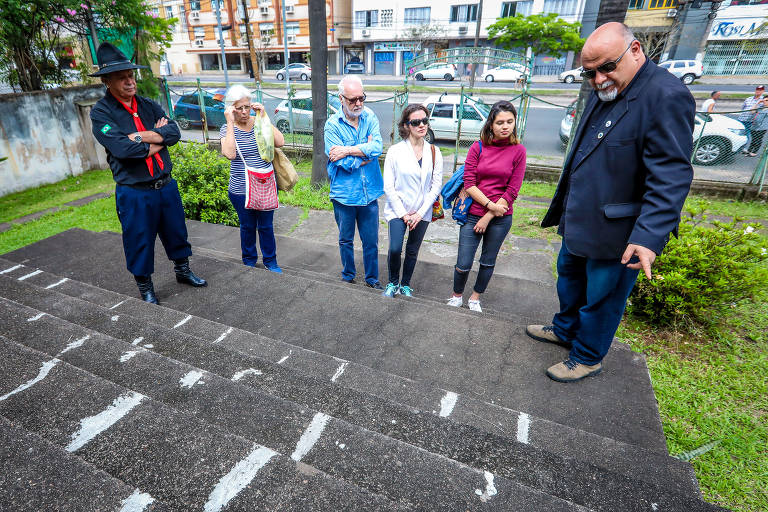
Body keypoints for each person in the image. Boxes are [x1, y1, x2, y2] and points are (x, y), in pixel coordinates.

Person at [526, 23, 695, 383]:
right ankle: (565, 330)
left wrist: (649, 237)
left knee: (602, 297)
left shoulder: (665, 95)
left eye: (606, 67)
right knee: (569, 281)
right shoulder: (605, 87)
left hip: (620, 230)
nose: (599, 78)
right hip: (580, 218)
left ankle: (587, 356)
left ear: (635, 50)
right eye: (590, 72)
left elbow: (671, 175)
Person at [89, 42, 206, 305]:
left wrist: (140, 137)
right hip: (135, 191)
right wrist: (158, 138)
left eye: (131, 75)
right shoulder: (101, 113)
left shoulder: (147, 104)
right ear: (107, 81)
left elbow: (174, 133)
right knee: (138, 239)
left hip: (165, 185)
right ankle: (145, 287)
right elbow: (123, 149)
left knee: (176, 231)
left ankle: (183, 271)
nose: (130, 81)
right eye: (122, 78)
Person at [447, 100, 527, 313]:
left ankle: (474, 298)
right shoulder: (478, 147)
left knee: (487, 262)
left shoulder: (519, 151)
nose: (505, 126)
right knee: (463, 263)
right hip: (473, 214)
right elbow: (470, 184)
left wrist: (489, 216)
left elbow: (512, 190)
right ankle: (456, 296)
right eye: (500, 122)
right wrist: (490, 206)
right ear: (491, 124)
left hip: (500, 218)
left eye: (510, 121)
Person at [324, 75, 384, 289]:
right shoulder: (332, 126)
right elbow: (340, 162)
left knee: (371, 242)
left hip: (369, 194)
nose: (358, 103)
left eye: (361, 98)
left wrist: (348, 150)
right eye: (352, 100)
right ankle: (348, 275)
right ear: (341, 99)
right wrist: (364, 156)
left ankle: (372, 279)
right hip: (344, 195)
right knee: (345, 240)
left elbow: (377, 147)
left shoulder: (370, 117)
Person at [219, 84, 285, 272]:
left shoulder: (258, 121)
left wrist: (264, 117)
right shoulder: (227, 128)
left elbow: (280, 141)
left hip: (265, 184)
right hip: (241, 188)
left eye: (247, 106)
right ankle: (249, 261)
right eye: (239, 108)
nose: (244, 112)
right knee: (247, 226)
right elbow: (230, 153)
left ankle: (271, 262)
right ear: (231, 108)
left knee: (266, 226)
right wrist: (230, 122)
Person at [381, 105, 443, 298]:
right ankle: (392, 282)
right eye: (416, 122)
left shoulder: (434, 152)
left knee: (413, 250)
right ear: (406, 125)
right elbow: (388, 186)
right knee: (394, 248)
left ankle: (405, 285)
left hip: (422, 212)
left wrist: (418, 213)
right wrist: (403, 213)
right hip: (398, 210)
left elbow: (435, 186)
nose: (422, 125)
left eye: (425, 120)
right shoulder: (395, 151)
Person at [739, 85, 765, 157]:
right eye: (757, 90)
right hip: (741, 119)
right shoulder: (749, 98)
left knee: (748, 135)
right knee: (738, 133)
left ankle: (744, 148)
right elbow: (743, 108)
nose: (758, 91)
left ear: (763, 91)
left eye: (760, 90)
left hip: (751, 121)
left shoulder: (764, 100)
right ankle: (739, 147)